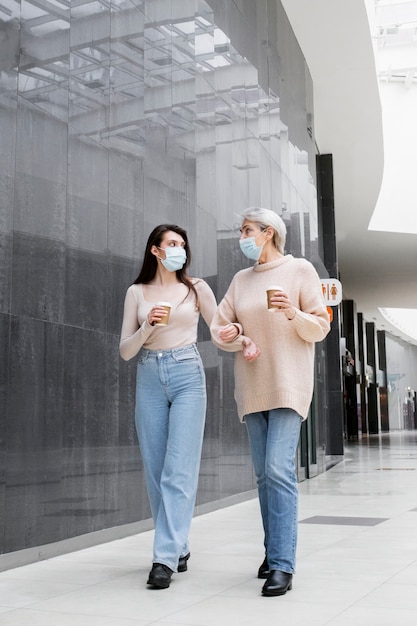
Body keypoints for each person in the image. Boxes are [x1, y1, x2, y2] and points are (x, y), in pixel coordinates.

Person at [210, 207, 330, 597]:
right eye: (241, 229)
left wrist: (291, 312)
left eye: (248, 230)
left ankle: (282, 563)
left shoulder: (300, 271)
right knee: (263, 475)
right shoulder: (240, 280)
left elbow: (320, 326)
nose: (242, 236)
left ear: (268, 233)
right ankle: (272, 548)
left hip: (289, 384)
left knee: (278, 471)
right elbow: (219, 329)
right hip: (251, 387)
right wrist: (234, 334)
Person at [119, 224, 217, 589]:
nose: (179, 249)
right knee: (155, 470)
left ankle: (163, 559)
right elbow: (126, 351)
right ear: (156, 251)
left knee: (178, 470)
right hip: (148, 373)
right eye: (172, 244)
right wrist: (146, 326)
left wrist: (240, 338)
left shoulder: (196, 289)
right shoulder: (136, 292)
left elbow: (220, 327)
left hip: (188, 373)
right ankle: (179, 545)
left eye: (183, 244)